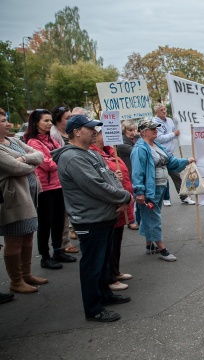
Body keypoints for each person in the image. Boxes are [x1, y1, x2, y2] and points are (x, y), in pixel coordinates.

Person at [51, 114, 132, 322]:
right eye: (90, 128)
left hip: (104, 216)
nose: (95, 132)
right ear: (76, 131)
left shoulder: (90, 153)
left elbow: (110, 178)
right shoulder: (73, 157)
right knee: (92, 266)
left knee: (103, 263)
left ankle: (105, 294)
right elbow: (96, 186)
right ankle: (94, 308)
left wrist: (120, 195)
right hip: (90, 219)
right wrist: (124, 196)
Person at [131, 120, 195, 261]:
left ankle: (149, 245)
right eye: (152, 128)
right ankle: (161, 248)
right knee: (154, 217)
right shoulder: (140, 149)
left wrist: (186, 160)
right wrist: (140, 191)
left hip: (160, 187)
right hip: (149, 190)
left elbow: (171, 162)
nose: (155, 130)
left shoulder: (157, 145)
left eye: (156, 128)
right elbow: (137, 172)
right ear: (143, 132)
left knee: (150, 215)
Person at [0, 108, 48, 295]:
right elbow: (16, 168)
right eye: (3, 121)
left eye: (6, 120)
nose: (7, 124)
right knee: (14, 239)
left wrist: (24, 158)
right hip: (13, 199)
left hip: (29, 196)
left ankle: (27, 274)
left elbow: (39, 156)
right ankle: (16, 280)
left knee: (28, 234)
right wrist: (28, 162)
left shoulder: (12, 141)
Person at [24, 109, 77, 270]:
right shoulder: (33, 142)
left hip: (59, 185)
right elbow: (46, 163)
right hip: (45, 188)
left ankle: (58, 250)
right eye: (45, 121)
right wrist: (61, 162)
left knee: (58, 221)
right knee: (45, 223)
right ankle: (45, 256)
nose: (48, 124)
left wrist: (59, 161)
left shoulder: (51, 139)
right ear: (36, 123)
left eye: (49, 121)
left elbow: (61, 154)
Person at [90, 126, 134, 291]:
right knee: (108, 244)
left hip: (121, 202)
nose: (106, 135)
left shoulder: (110, 151)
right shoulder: (93, 153)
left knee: (116, 241)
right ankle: (108, 277)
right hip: (110, 205)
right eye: (102, 133)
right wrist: (113, 177)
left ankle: (115, 271)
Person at [151, 104, 196, 206]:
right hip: (159, 155)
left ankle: (184, 197)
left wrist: (178, 122)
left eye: (164, 109)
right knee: (163, 178)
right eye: (161, 110)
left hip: (169, 155)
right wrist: (174, 134)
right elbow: (160, 138)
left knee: (176, 176)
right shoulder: (154, 123)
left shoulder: (170, 120)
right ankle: (165, 198)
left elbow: (176, 130)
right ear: (156, 112)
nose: (164, 111)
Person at [49, 105, 79, 254]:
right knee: (62, 213)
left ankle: (71, 235)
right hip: (60, 178)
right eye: (67, 118)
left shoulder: (67, 132)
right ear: (58, 120)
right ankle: (63, 242)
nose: (70, 120)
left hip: (72, 176)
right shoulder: (53, 134)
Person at [117, 119, 140, 230]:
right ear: (124, 130)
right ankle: (130, 221)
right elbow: (136, 151)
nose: (133, 132)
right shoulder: (121, 142)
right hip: (127, 172)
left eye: (134, 129)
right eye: (130, 130)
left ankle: (136, 218)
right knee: (130, 197)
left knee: (137, 197)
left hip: (135, 171)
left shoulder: (134, 139)